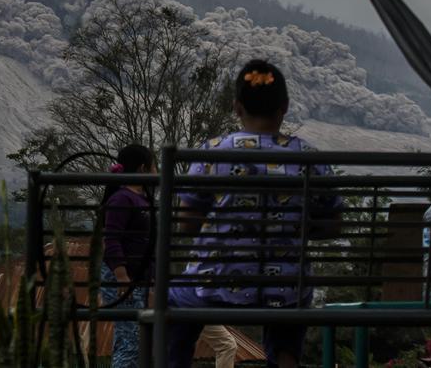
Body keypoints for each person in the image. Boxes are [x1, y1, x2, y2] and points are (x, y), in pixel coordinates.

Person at [166, 59, 343, 368]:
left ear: (236, 107)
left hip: (215, 287)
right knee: (293, 302)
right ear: (285, 107)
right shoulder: (309, 158)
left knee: (173, 301)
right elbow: (333, 226)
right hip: (286, 290)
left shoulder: (212, 151)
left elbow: (186, 224)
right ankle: (286, 359)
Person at [102, 144, 156, 368]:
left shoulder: (143, 200)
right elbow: (112, 239)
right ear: (143, 169)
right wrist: (121, 276)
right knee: (131, 341)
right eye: (155, 167)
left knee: (134, 340)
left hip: (139, 279)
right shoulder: (123, 199)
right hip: (123, 278)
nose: (157, 172)